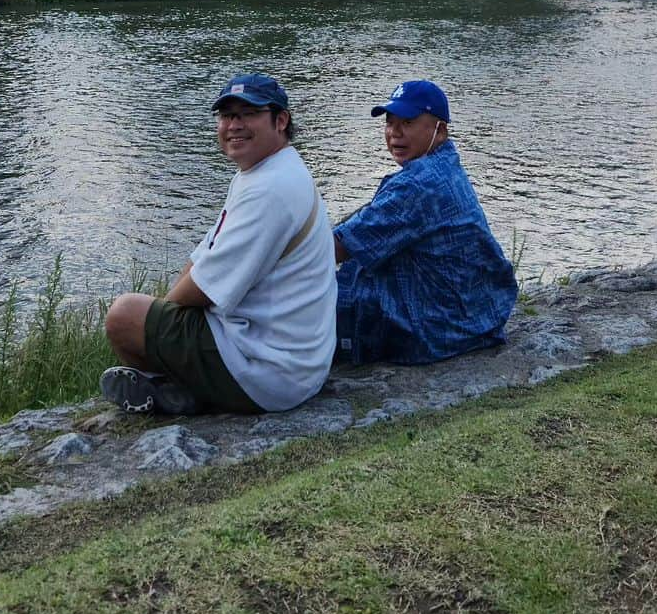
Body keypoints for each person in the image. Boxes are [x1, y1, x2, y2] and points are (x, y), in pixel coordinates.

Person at [100, 73, 337, 415]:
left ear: (281, 120)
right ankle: (172, 387)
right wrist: (166, 318)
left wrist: (157, 324)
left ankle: (169, 387)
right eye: (226, 116)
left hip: (272, 372)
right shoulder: (266, 172)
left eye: (247, 113)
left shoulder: (270, 190)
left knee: (124, 317)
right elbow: (202, 259)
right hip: (286, 358)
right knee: (149, 315)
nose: (233, 125)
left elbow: (204, 289)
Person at [333, 80, 517, 366]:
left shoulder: (419, 184)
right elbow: (367, 224)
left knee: (305, 299)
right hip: (476, 314)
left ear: (439, 130)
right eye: (390, 123)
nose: (394, 133)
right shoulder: (444, 164)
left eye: (407, 122)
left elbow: (335, 250)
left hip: (439, 328)